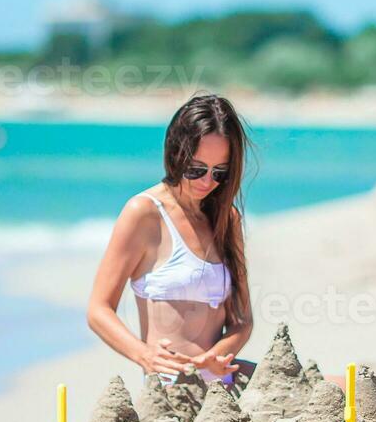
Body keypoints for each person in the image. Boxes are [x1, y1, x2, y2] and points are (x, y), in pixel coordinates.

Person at [86, 94, 254, 385]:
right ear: (176, 154)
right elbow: (98, 310)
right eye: (196, 169)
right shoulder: (144, 213)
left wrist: (217, 355)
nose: (207, 181)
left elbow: (242, 321)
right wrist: (144, 355)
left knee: (343, 388)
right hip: (172, 393)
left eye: (220, 173)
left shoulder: (227, 219)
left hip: (225, 385)